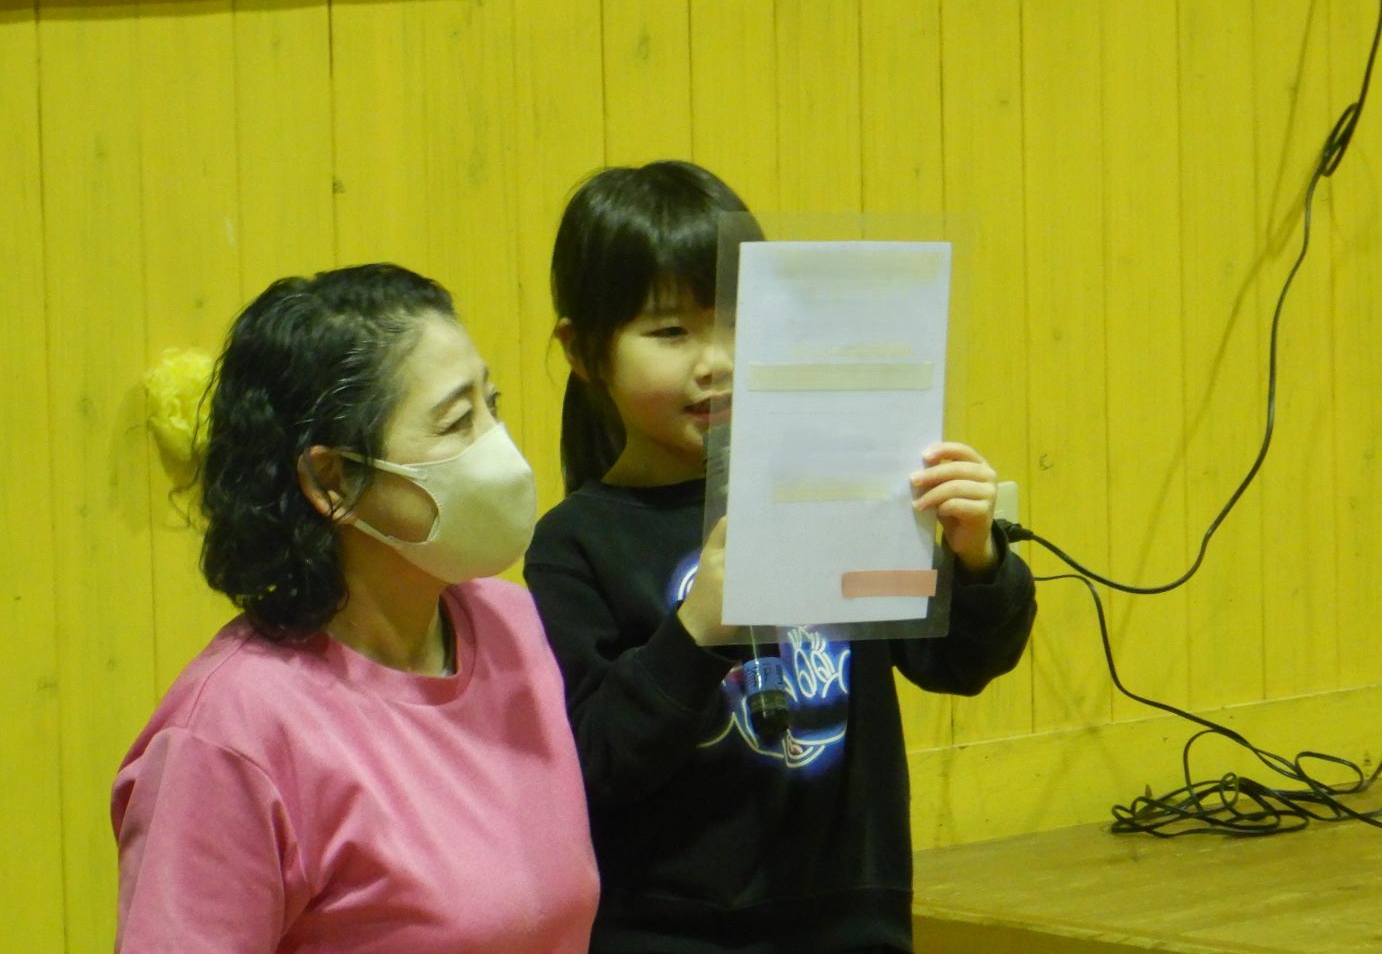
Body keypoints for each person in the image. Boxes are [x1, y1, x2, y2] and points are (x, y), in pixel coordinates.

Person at [523, 161, 1038, 952]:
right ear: (584, 351)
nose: (717, 360)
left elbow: (959, 661)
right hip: (669, 932)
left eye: (740, 320)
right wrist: (694, 631)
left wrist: (976, 557)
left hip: (851, 918)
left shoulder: (833, 490)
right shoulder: (574, 545)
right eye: (671, 332)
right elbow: (593, 764)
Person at [112, 263, 599, 953]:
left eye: (492, 404)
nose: (499, 448)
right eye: (457, 422)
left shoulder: (509, 623)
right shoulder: (229, 734)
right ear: (332, 478)